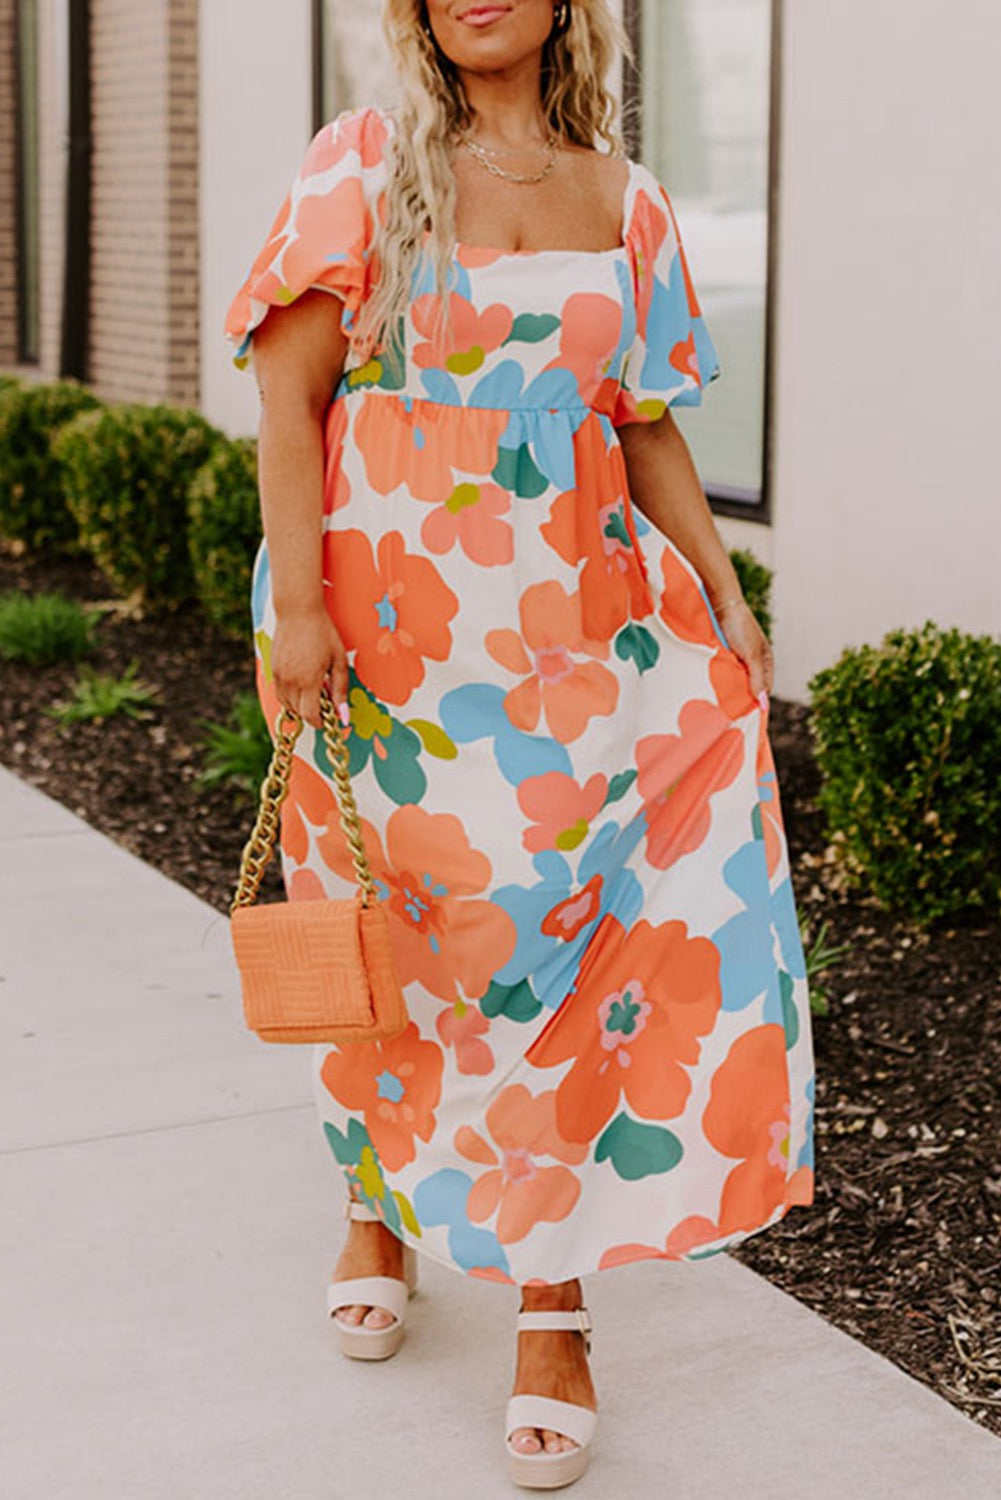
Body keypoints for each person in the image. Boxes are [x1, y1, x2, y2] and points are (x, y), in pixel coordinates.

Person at [225, 0, 816, 1487]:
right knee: (399, 940)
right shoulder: (358, 164)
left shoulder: (629, 199)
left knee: (563, 959)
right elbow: (289, 407)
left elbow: (645, 425)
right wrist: (301, 615)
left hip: (573, 642)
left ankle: (552, 1298)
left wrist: (726, 602)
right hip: (379, 631)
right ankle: (377, 1202)